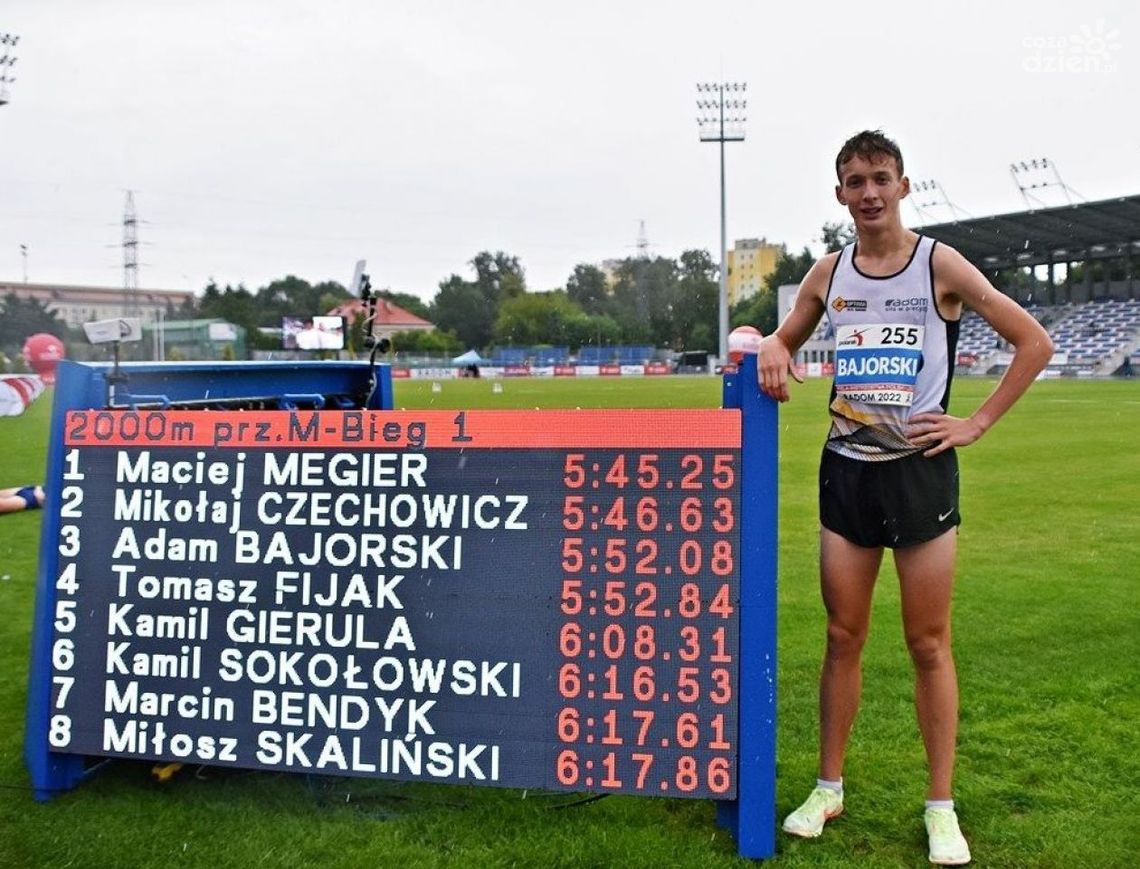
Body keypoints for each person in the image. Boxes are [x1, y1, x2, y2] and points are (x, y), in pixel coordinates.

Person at [759, 130, 1052, 866]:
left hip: (920, 469)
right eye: (854, 181)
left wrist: (977, 421)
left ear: (903, 184)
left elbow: (1034, 341)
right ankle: (829, 786)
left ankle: (941, 805)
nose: (868, 193)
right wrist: (770, 344)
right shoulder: (828, 272)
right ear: (839, 194)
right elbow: (784, 341)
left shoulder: (938, 263)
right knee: (841, 637)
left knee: (927, 642)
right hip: (847, 469)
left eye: (880, 178)